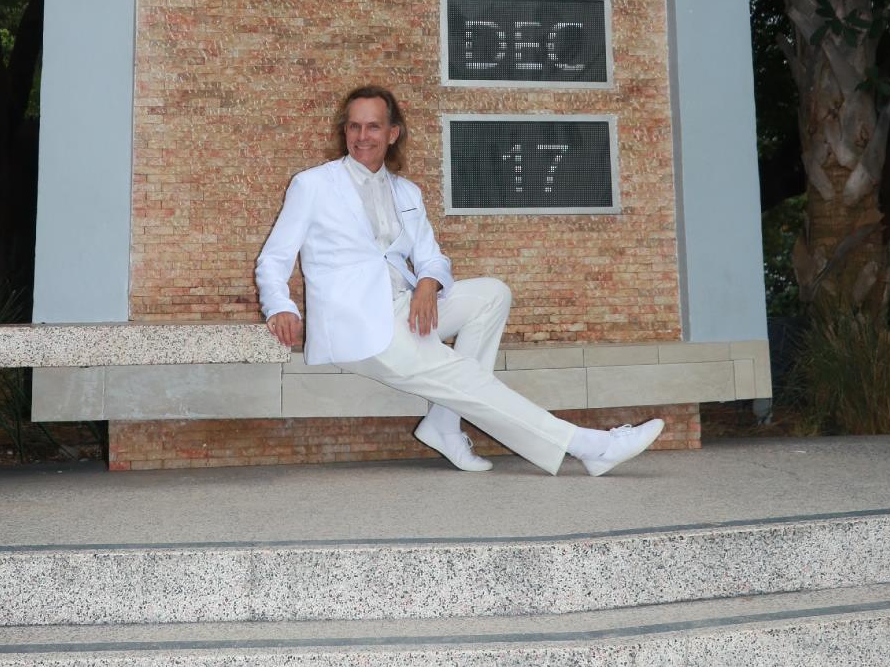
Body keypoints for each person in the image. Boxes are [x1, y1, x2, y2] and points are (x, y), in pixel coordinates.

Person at [255, 85, 665, 475]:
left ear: (393, 133)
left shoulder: (406, 192)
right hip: (355, 324)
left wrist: (429, 283)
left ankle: (444, 425)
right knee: (461, 375)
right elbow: (274, 258)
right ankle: (590, 447)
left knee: (492, 294)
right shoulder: (313, 185)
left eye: (373, 126)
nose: (363, 136)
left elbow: (432, 257)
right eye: (354, 126)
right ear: (345, 131)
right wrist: (280, 307)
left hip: (403, 308)